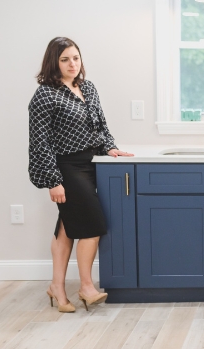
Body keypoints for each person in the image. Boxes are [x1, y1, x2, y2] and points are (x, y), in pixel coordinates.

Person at [28, 37, 133, 313]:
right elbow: (40, 141)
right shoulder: (45, 94)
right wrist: (53, 180)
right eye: (65, 59)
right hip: (65, 168)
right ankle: (86, 286)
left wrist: (111, 147)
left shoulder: (87, 87)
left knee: (67, 228)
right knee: (93, 226)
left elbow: (101, 125)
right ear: (54, 62)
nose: (72, 64)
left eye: (75, 58)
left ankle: (57, 287)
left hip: (90, 165)